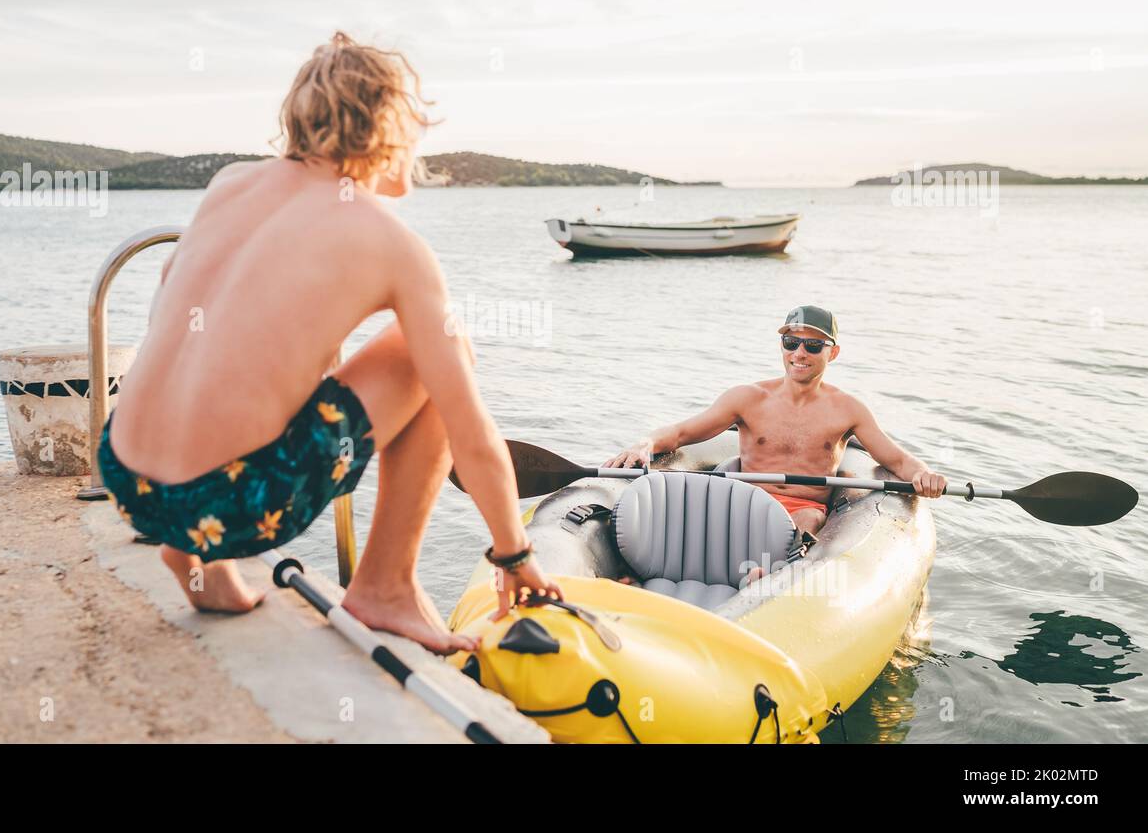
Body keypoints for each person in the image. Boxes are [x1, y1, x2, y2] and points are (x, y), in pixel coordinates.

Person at [98, 32, 560, 653]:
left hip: (126, 476)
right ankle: (385, 588)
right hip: (236, 504)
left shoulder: (231, 183)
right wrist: (514, 553)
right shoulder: (388, 241)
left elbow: (170, 299)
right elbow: (470, 430)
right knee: (434, 354)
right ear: (389, 128)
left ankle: (193, 554)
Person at [604, 305, 948, 581]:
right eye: (791, 343)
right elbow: (682, 433)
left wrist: (924, 474)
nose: (800, 352)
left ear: (834, 352)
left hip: (802, 510)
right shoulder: (747, 398)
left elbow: (897, 459)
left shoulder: (848, 410)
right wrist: (644, 445)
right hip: (743, 499)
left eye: (813, 346)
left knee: (808, 523)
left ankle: (772, 580)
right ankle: (635, 573)